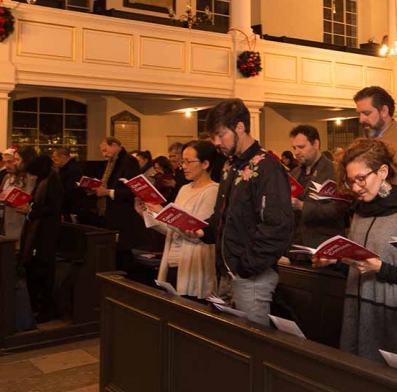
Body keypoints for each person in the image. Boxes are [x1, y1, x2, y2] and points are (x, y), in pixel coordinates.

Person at [314, 138, 397, 363]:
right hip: (358, 314)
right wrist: (335, 262)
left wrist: (381, 268)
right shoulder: (359, 213)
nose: (356, 187)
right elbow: (360, 267)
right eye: (350, 181)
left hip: (392, 321)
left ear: (382, 171)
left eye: (361, 178)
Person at [198, 98, 294, 325]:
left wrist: (244, 267)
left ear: (240, 127)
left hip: (249, 276)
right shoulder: (229, 165)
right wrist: (203, 231)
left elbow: (277, 225)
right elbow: (224, 215)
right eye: (213, 136)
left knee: (251, 346)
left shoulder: (267, 166)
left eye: (220, 134)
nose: (216, 142)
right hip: (227, 271)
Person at [137, 140, 219, 299]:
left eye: (189, 161)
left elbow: (197, 235)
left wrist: (164, 213)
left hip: (192, 265)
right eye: (182, 161)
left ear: (205, 164)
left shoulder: (212, 191)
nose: (183, 166)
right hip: (172, 262)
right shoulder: (184, 189)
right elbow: (172, 231)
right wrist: (147, 214)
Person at [289, 124, 349, 248]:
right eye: (294, 148)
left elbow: (339, 209)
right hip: (296, 245)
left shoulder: (334, 171)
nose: (296, 153)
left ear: (315, 144)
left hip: (323, 245)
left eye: (301, 147)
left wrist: (302, 206)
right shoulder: (295, 172)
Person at [19, 154, 64, 322]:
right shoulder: (43, 180)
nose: (32, 176)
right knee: (34, 269)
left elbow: (53, 208)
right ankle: (35, 306)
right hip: (37, 232)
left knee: (44, 271)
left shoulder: (53, 181)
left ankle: (47, 309)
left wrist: (30, 211)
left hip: (47, 234)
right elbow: (36, 201)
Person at [92, 137, 146, 272]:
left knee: (124, 255)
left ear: (115, 145)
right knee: (116, 254)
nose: (104, 155)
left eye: (105, 150)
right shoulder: (111, 162)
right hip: (111, 214)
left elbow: (134, 190)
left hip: (124, 215)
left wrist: (108, 192)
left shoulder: (129, 161)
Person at [51, 146, 83, 223]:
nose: (55, 162)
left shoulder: (72, 170)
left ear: (62, 157)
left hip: (70, 207)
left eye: (56, 159)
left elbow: (69, 191)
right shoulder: (65, 169)